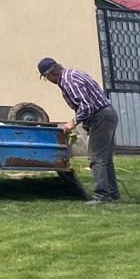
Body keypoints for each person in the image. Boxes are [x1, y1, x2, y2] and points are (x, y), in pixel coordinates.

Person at [38, 57, 120, 204]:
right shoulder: (74, 74)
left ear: (51, 74)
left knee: (96, 158)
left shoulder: (68, 81)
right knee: (105, 158)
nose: (48, 80)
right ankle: (112, 193)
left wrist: (73, 122)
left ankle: (102, 196)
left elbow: (87, 105)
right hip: (107, 115)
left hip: (101, 117)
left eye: (46, 78)